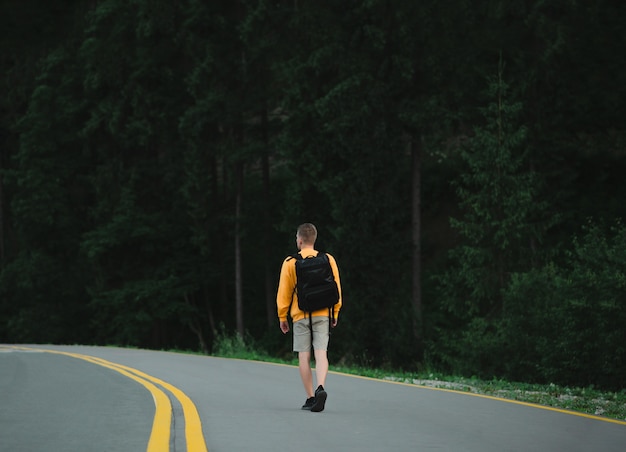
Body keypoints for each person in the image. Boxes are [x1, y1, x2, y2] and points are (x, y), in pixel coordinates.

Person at [276, 223, 342, 412]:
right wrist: (335, 311)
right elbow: (336, 288)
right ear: (314, 239)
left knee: (304, 356)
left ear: (299, 240)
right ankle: (321, 386)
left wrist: (282, 316)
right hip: (323, 312)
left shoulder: (290, 262)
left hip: (301, 315)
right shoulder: (328, 259)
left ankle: (311, 398)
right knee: (321, 353)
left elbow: (284, 292)